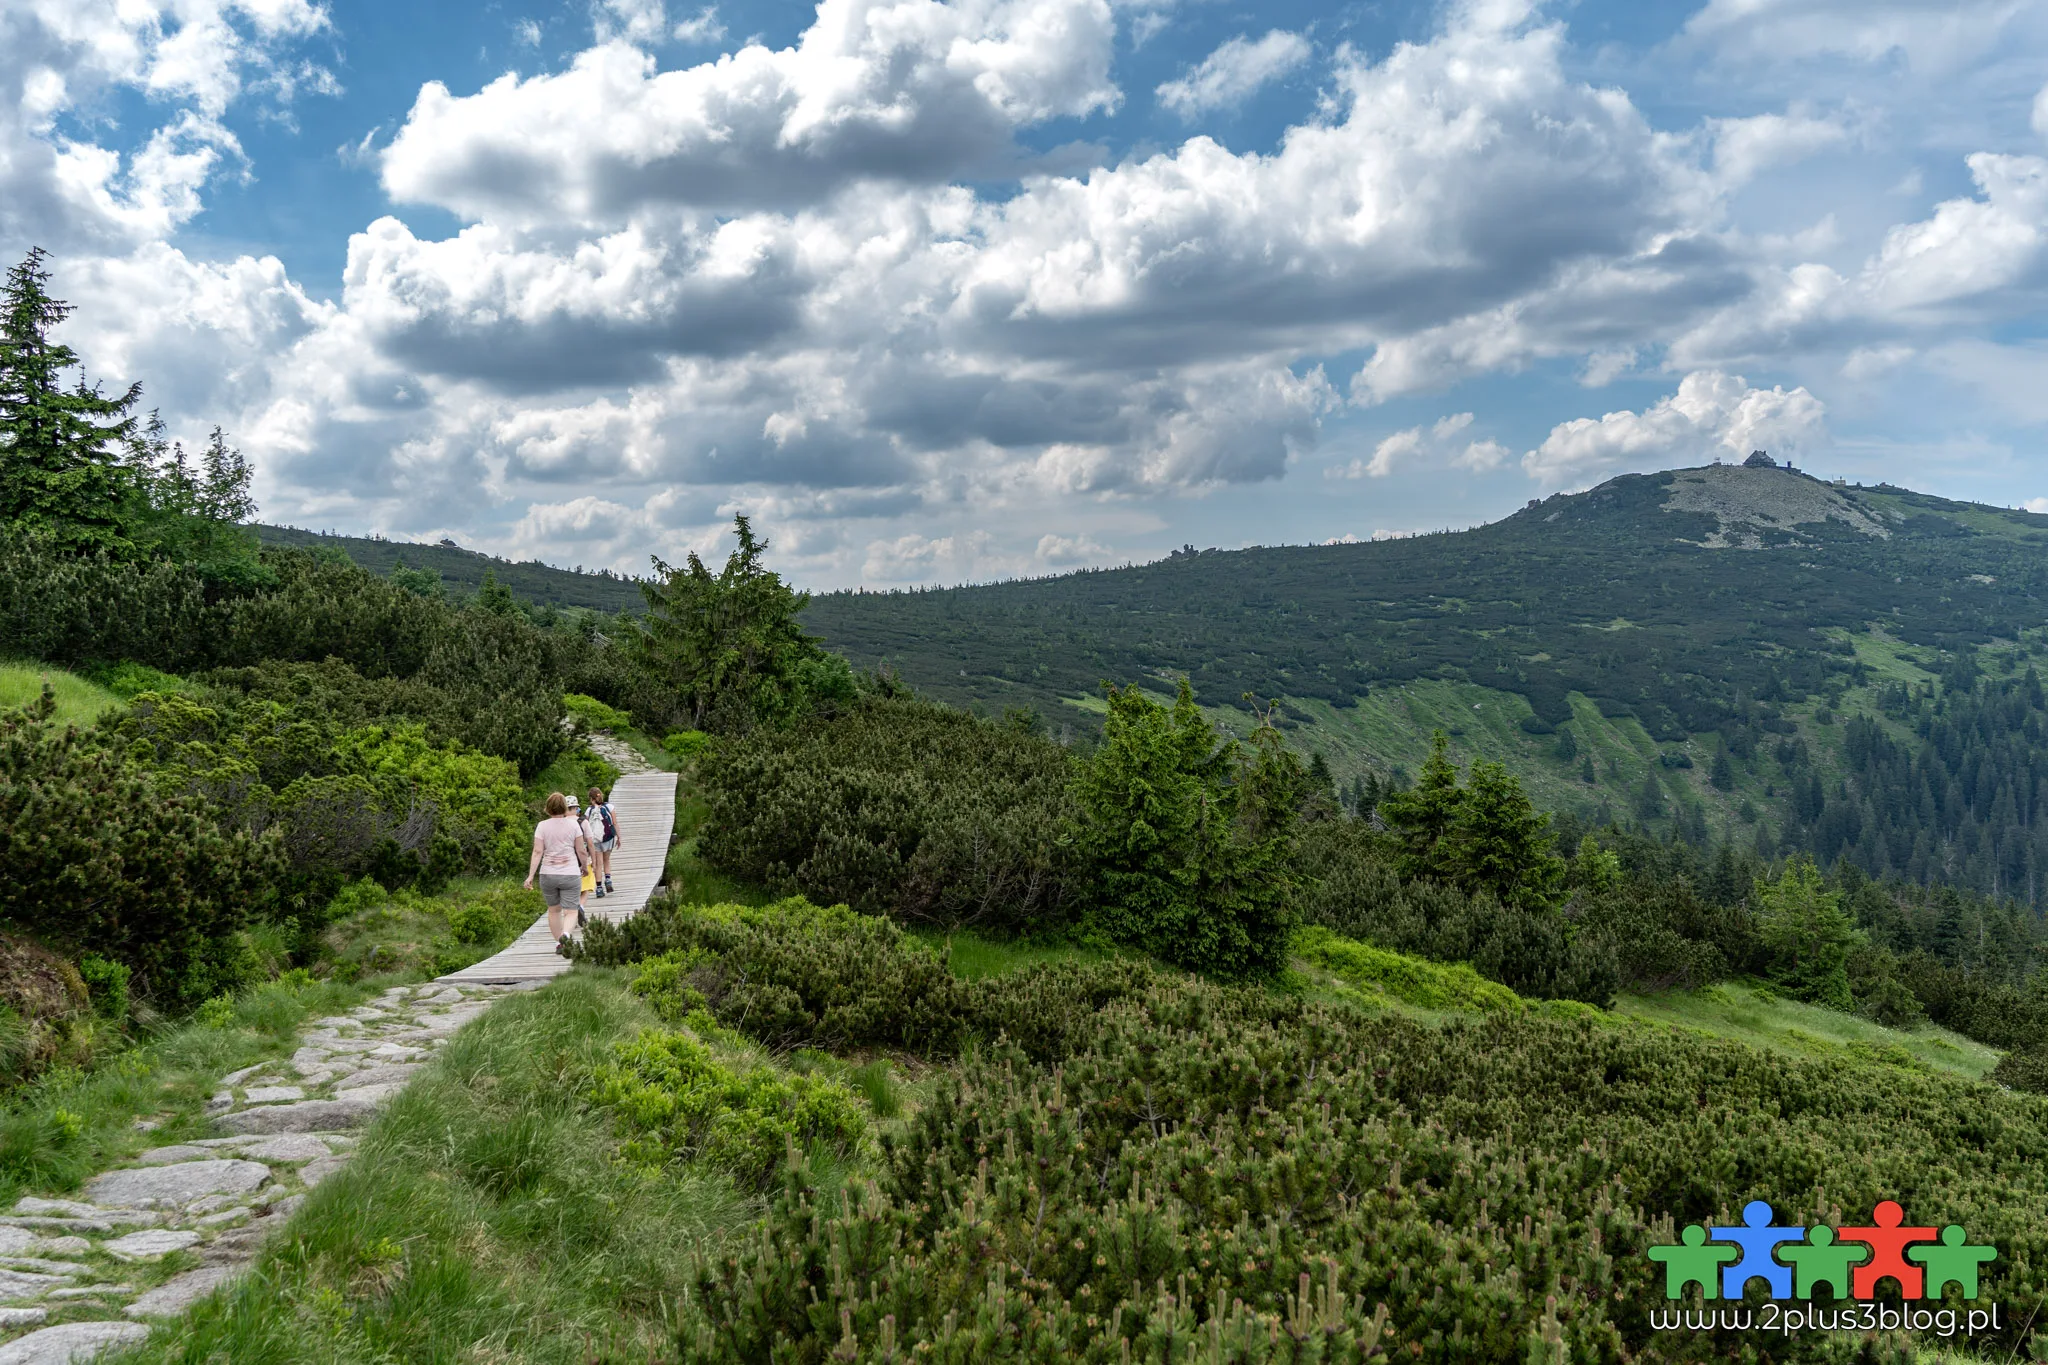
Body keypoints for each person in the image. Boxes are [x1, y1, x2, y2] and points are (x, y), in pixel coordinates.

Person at [523, 792, 591, 944]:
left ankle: (559, 942)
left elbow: (537, 851)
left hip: (548, 873)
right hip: (570, 872)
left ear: (547, 808)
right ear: (565, 808)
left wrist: (530, 876)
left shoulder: (542, 826)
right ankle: (566, 935)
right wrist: (585, 867)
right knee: (571, 911)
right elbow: (581, 850)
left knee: (554, 910)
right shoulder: (574, 825)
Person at [586, 786, 620, 897]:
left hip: (595, 840)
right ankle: (608, 880)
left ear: (591, 799)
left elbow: (586, 827)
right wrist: (619, 837)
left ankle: (599, 888)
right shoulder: (609, 807)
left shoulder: (588, 810)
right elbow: (615, 823)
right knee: (607, 860)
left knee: (598, 863)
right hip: (608, 838)